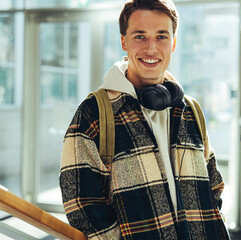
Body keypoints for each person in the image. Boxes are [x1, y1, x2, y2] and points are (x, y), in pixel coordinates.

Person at [59, 0, 230, 239]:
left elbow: (213, 186)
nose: (151, 48)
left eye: (161, 36)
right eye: (140, 36)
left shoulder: (190, 109)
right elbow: (80, 203)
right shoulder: (95, 112)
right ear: (124, 41)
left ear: (174, 43)